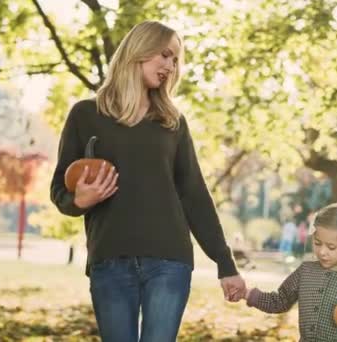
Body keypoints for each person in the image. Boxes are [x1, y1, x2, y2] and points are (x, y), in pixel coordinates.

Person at [50, 20, 246, 342]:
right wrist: (78, 201)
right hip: (109, 260)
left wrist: (226, 264)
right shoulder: (85, 115)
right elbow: (60, 188)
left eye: (175, 60)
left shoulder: (172, 123)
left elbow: (194, 196)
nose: (170, 66)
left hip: (170, 262)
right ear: (139, 51)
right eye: (165, 55)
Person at [243, 203, 337, 341]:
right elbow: (279, 301)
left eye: (331, 247)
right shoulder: (305, 271)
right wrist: (248, 294)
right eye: (318, 243)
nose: (322, 252)